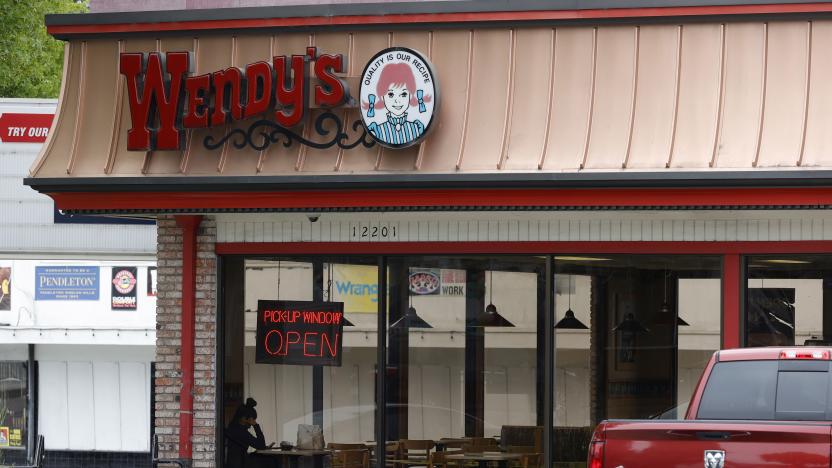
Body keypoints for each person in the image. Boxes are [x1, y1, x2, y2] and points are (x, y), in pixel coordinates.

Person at [363, 62, 432, 146]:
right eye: (391, 94)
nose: (397, 101)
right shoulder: (377, 129)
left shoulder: (417, 128)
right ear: (382, 96)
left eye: (403, 94)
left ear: (411, 95)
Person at [226, 398, 273, 468]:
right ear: (243, 418)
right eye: (252, 420)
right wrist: (256, 425)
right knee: (271, 461)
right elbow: (261, 445)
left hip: (237, 462)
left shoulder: (234, 427)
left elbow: (259, 445)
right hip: (238, 464)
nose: (252, 423)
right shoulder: (240, 432)